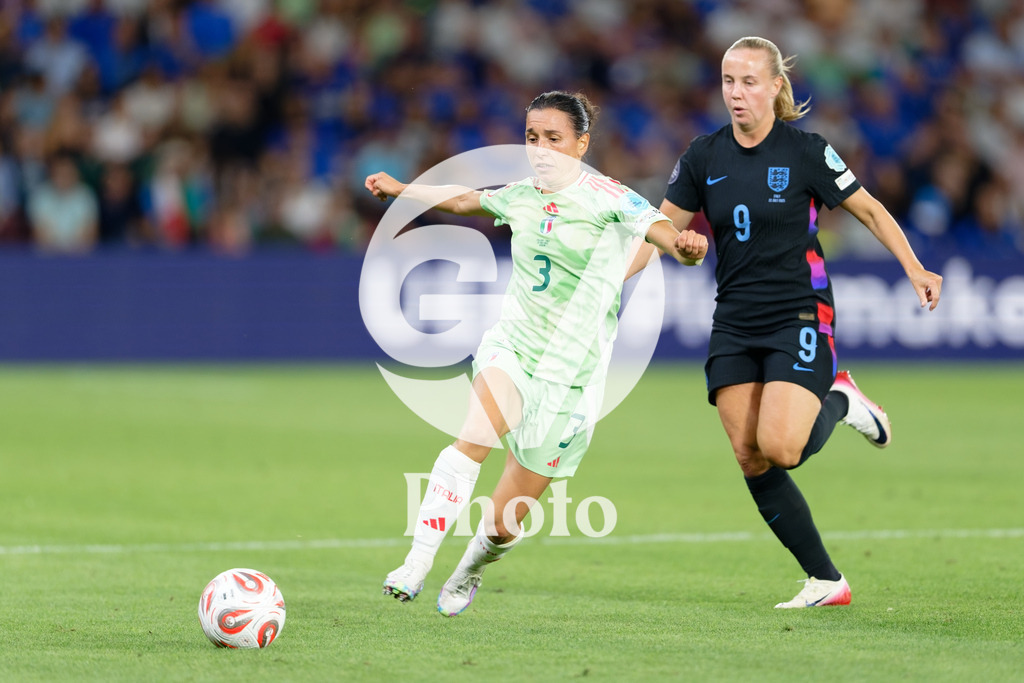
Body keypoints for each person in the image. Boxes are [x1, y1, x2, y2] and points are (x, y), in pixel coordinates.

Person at [365, 90, 708, 617]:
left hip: (572, 377)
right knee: (472, 438)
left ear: (581, 143)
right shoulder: (523, 194)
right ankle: (414, 563)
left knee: (504, 525)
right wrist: (402, 189)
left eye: (553, 138)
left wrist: (684, 246)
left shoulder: (611, 197)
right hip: (514, 348)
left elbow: (660, 232)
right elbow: (463, 199)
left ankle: (469, 569)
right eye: (531, 138)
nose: (541, 149)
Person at [657, 37, 943, 608]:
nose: (736, 94)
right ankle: (827, 581)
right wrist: (672, 249)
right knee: (749, 455)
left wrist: (913, 266)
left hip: (799, 311)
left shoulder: (807, 150)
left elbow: (868, 208)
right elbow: (661, 229)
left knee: (782, 448)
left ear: (775, 87)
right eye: (728, 81)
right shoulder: (701, 156)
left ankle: (842, 399)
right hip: (734, 318)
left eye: (749, 82)